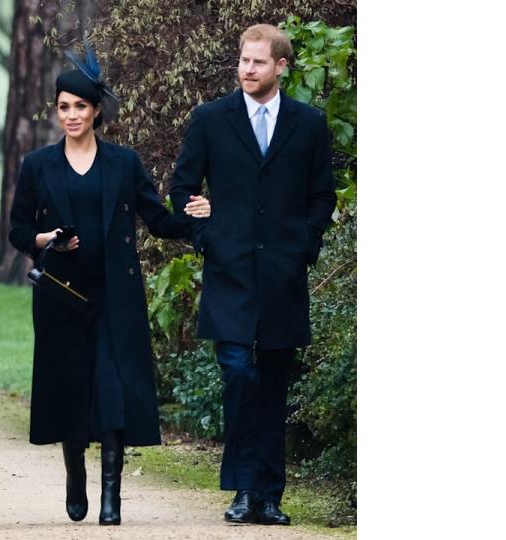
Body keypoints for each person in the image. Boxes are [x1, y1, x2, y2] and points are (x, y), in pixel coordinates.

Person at [7, 47, 210, 526]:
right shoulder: (38, 165)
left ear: (96, 109)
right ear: (56, 110)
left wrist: (193, 218)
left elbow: (156, 220)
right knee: (71, 389)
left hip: (113, 297)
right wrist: (47, 239)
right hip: (60, 296)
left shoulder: (123, 162)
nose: (71, 115)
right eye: (63, 106)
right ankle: (75, 474)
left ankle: (110, 497)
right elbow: (17, 230)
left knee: (112, 387)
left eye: (80, 106)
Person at [169, 23, 337, 526]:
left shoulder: (309, 124)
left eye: (259, 62)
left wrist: (302, 249)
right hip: (230, 276)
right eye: (244, 60)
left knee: (273, 384)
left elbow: (321, 196)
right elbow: (182, 189)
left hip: (284, 278)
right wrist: (204, 236)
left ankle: (269, 496)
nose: (247, 69)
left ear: (281, 66)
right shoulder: (210, 119)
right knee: (240, 372)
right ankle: (244, 488)